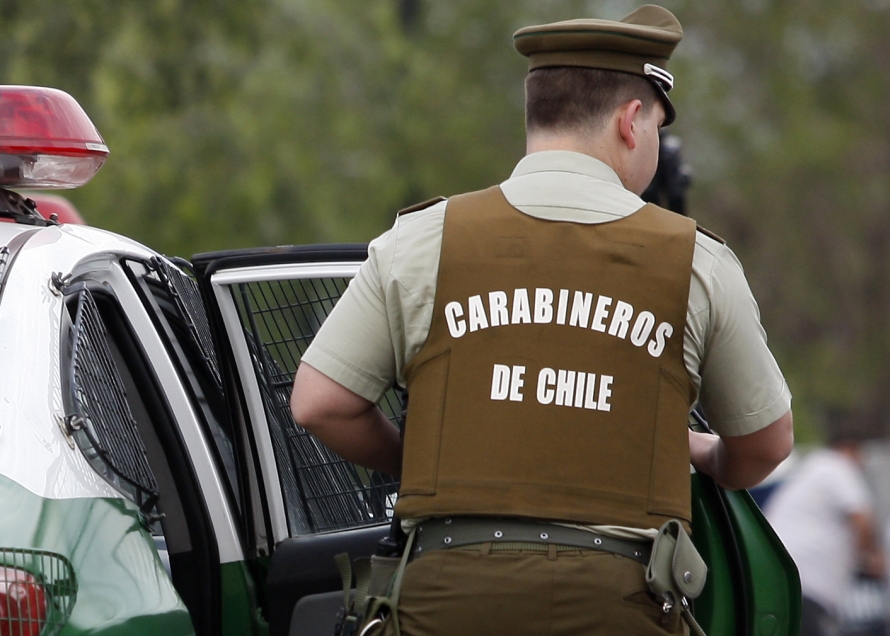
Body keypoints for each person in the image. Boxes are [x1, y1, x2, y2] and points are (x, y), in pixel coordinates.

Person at [289, 5, 794, 634]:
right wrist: (705, 455)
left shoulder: (423, 239)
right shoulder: (697, 261)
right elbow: (766, 444)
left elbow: (319, 404)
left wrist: (427, 459)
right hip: (619, 605)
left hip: (443, 599)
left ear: (536, 114)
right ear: (632, 122)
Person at [765, 425, 885, 636]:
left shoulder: (813, 469)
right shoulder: (836, 467)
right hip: (806, 584)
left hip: (785, 579)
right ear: (850, 449)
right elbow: (861, 517)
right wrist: (871, 558)